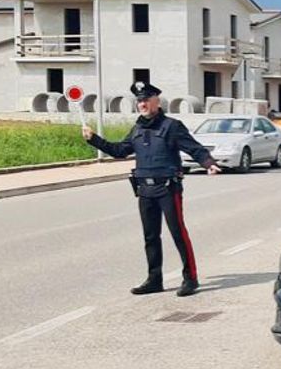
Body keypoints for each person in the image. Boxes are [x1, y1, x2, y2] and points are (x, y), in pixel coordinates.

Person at [82, 81, 220, 297]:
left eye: (146, 99)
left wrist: (208, 162)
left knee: (178, 233)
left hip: (167, 189)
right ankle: (154, 279)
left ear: (157, 101)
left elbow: (193, 147)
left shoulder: (172, 126)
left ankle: (190, 278)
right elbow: (119, 151)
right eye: (139, 100)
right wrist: (94, 140)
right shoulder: (136, 129)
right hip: (144, 190)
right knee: (150, 236)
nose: (142, 103)